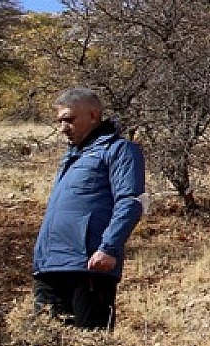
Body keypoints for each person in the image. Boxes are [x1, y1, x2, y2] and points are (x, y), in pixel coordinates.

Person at [32, 88, 145, 329]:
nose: (63, 127)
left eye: (69, 119)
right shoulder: (72, 157)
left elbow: (130, 202)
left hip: (89, 267)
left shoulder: (120, 150)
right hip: (49, 267)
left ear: (93, 116)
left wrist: (109, 248)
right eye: (60, 120)